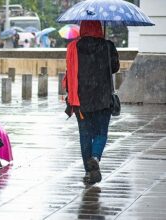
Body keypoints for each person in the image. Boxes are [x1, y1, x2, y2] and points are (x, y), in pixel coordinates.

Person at [63, 20, 120, 185]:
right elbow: (115, 67)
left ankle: (90, 172)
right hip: (103, 99)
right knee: (101, 133)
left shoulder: (74, 47)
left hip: (81, 100)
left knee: (85, 136)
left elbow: (70, 70)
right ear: (98, 28)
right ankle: (95, 157)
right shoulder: (107, 45)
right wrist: (107, 49)